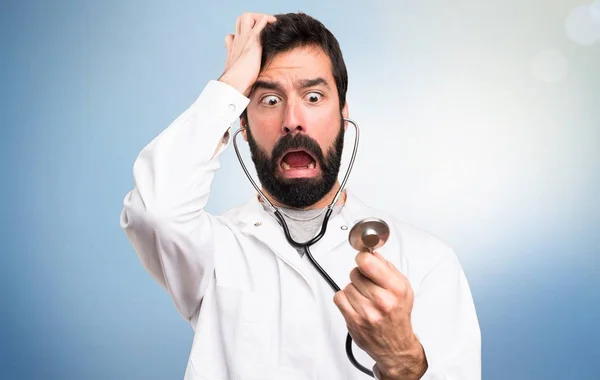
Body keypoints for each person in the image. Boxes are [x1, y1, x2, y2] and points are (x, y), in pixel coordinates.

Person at [120, 11, 481, 380]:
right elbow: (155, 212)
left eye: (313, 96)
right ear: (242, 124)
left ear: (343, 112)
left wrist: (403, 361)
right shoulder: (213, 248)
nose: (293, 119)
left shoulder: (426, 261)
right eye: (270, 100)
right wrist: (229, 86)